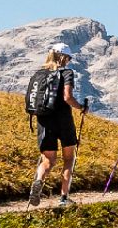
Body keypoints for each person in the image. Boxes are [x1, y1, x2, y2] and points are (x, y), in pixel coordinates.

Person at [27, 43, 86, 207]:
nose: (69, 61)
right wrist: (81, 107)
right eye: (68, 58)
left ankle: (38, 180)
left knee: (48, 160)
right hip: (63, 119)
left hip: (44, 120)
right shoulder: (66, 72)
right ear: (63, 57)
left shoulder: (40, 74)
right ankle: (64, 198)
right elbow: (67, 97)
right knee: (68, 159)